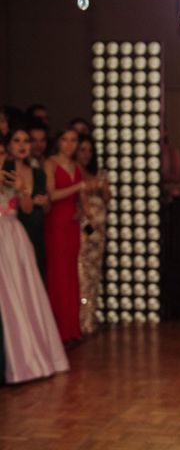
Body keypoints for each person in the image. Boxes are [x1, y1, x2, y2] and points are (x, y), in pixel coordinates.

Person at [0, 139, 69, 383]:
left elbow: (28, 209)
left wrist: (21, 189)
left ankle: (28, 358)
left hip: (14, 238)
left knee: (24, 295)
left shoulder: (13, 179)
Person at [44, 128, 86, 343]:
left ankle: (71, 329)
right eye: (65, 140)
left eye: (73, 140)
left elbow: (80, 199)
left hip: (72, 224)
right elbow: (51, 194)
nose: (69, 144)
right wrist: (78, 186)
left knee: (71, 274)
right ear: (58, 141)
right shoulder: (50, 163)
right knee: (57, 274)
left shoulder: (77, 166)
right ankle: (57, 330)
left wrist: (80, 209)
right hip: (56, 223)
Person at [6, 128, 50, 282]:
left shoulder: (38, 173)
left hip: (35, 233)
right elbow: (23, 207)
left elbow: (46, 208)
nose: (22, 145)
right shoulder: (5, 171)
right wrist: (23, 192)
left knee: (33, 279)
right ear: (8, 145)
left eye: (26, 141)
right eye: (17, 140)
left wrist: (44, 203)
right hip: (10, 234)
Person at [76, 134, 109, 335]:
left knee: (94, 275)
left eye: (89, 150)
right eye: (83, 150)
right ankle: (80, 320)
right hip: (83, 229)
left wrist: (102, 187)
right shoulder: (75, 174)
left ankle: (90, 318)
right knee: (82, 274)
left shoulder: (97, 174)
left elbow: (107, 198)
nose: (86, 154)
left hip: (99, 230)